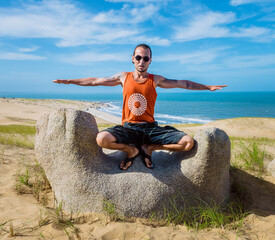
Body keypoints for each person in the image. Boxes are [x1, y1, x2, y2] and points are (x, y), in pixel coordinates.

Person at [53, 43, 227, 171]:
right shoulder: (123, 77)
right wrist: (70, 81)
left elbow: (184, 83)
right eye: (138, 57)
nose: (141, 61)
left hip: (151, 130)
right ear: (132, 59)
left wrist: (207, 87)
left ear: (150, 60)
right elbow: (95, 81)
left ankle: (149, 148)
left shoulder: (156, 79)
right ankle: (131, 150)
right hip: (128, 129)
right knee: (101, 139)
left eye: (145, 58)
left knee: (187, 143)